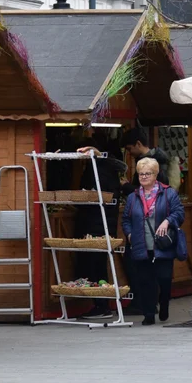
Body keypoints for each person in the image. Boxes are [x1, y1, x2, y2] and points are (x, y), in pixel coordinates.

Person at [122, 157, 185, 325]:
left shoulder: (168, 193)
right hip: (141, 245)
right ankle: (149, 314)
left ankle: (164, 303)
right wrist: (129, 235)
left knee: (164, 278)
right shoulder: (132, 197)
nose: (143, 177)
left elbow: (179, 212)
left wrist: (167, 221)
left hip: (162, 245)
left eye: (147, 173)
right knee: (145, 281)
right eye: (140, 174)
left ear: (156, 174)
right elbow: (126, 220)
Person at [74, 135, 127, 319]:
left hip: (95, 224)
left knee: (95, 267)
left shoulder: (96, 169)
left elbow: (90, 195)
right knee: (101, 265)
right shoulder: (110, 168)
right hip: (105, 224)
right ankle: (102, 303)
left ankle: (101, 304)